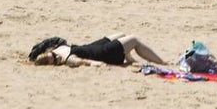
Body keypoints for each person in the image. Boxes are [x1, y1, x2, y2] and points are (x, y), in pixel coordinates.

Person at [32, 33, 166, 67]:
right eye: (55, 62)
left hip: (94, 45)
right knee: (134, 40)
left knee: (121, 34)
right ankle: (161, 62)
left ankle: (129, 58)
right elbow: (90, 63)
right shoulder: (70, 60)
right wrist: (99, 64)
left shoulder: (58, 49)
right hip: (106, 53)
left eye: (54, 56)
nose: (57, 58)